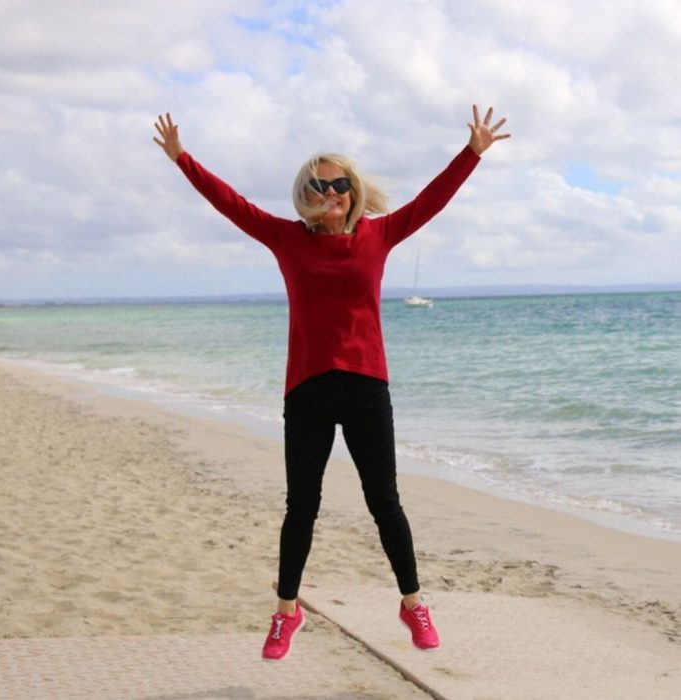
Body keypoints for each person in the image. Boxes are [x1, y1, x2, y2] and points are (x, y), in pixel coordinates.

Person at [153, 106, 509, 660]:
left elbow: (431, 202)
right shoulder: (286, 239)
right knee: (302, 505)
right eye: (320, 185)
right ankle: (285, 613)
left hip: (367, 386)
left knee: (384, 501)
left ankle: (413, 603)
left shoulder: (379, 234)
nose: (333, 192)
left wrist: (472, 154)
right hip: (308, 389)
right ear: (306, 193)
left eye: (342, 183)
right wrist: (183, 160)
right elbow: (232, 204)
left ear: (354, 189)